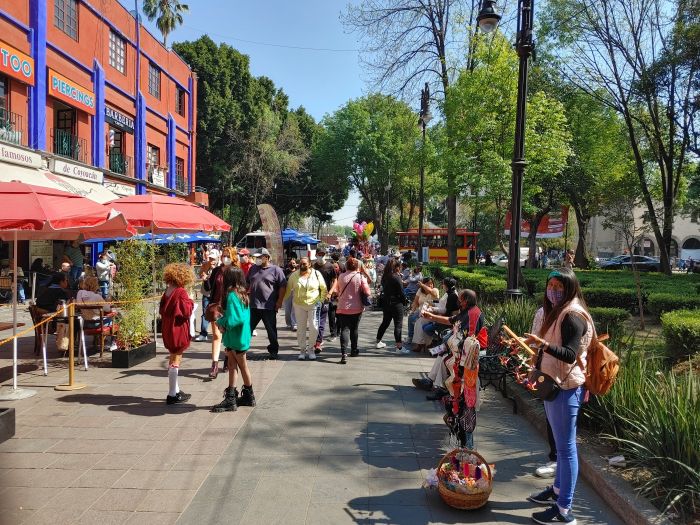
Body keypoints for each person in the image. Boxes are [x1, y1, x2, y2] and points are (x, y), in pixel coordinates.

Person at [524, 268, 594, 525]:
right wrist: (535, 368)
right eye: (550, 285)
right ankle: (556, 492)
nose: (553, 291)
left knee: (566, 450)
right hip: (554, 384)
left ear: (570, 289)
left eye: (559, 287)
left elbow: (569, 354)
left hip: (567, 389)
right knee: (563, 448)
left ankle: (564, 510)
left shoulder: (572, 315)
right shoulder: (558, 311)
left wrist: (541, 344)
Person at [412, 289, 486, 400]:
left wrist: (451, 347)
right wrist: (431, 317)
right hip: (460, 345)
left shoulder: (473, 314)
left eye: (460, 299)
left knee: (445, 359)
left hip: (470, 350)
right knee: (441, 353)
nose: (458, 302)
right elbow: (451, 320)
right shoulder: (466, 311)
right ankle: (431, 382)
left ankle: (441, 389)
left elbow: (470, 338)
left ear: (465, 300)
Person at [212, 267, 255, 412]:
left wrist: (220, 321)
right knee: (233, 365)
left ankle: (238, 398)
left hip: (236, 337)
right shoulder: (242, 293)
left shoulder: (231, 295)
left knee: (240, 366)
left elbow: (235, 319)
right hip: (239, 336)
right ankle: (239, 396)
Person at [159, 263, 195, 405]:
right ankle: (172, 394)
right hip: (178, 329)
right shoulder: (181, 292)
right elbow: (186, 311)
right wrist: (191, 300)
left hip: (168, 328)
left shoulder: (167, 290)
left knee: (172, 357)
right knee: (177, 358)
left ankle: (176, 389)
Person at [329, 256, 371, 363]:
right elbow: (367, 292)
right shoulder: (360, 277)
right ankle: (354, 350)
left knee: (344, 329)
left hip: (342, 307)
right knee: (354, 329)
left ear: (346, 266)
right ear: (357, 266)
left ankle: (343, 353)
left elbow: (337, 291)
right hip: (357, 308)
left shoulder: (341, 276)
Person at [284, 257, 327, 361]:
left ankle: (311, 348)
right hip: (299, 305)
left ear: (309, 264)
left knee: (314, 327)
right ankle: (302, 350)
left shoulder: (316, 274)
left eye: (304, 264)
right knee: (301, 329)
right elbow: (288, 290)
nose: (302, 265)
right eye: (301, 264)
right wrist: (280, 302)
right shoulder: (294, 276)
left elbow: (323, 288)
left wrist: (320, 301)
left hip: (314, 304)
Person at [247, 248, 286, 360]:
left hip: (269, 306)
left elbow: (283, 286)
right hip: (253, 305)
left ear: (267, 257)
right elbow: (247, 283)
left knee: (271, 330)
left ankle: (273, 350)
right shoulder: (253, 268)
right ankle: (242, 349)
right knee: (247, 329)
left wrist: (279, 302)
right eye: (257, 257)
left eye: (260, 257)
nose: (257, 259)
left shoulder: (276, 270)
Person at [206, 247, 235, 378]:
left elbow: (243, 289)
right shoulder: (217, 270)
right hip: (217, 306)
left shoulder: (235, 271)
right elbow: (208, 287)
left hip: (230, 307)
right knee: (217, 336)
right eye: (223, 255)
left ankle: (228, 358)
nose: (225, 258)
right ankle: (214, 365)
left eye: (228, 255)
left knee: (228, 335)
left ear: (233, 257)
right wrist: (205, 276)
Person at [412, 277, 459, 353]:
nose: (442, 285)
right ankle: (422, 343)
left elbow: (445, 311)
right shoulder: (448, 293)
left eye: (443, 284)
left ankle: (433, 341)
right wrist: (431, 303)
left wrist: (432, 309)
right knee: (418, 322)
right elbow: (440, 303)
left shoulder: (452, 295)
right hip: (439, 314)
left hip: (444, 319)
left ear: (446, 285)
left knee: (422, 325)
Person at [375, 258, 408, 353]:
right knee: (398, 325)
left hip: (386, 303)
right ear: (397, 267)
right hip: (396, 304)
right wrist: (404, 302)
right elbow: (401, 293)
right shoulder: (396, 277)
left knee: (385, 322)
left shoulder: (385, 277)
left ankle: (378, 341)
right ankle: (399, 347)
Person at [75, 276, 116, 351]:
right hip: (96, 323)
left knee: (104, 316)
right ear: (95, 285)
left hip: (84, 323)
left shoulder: (79, 293)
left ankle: (97, 341)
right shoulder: (97, 296)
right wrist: (108, 303)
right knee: (116, 317)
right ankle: (113, 343)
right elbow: (107, 309)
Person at [313, 248, 337, 353]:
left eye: (323, 254)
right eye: (319, 254)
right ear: (316, 254)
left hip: (325, 297)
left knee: (321, 320)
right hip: (313, 297)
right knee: (314, 321)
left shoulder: (330, 266)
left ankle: (318, 342)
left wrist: (330, 292)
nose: (321, 256)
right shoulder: (313, 267)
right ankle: (316, 339)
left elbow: (335, 280)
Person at [194, 249, 220, 343]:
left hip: (217, 294)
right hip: (206, 293)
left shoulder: (220, 267)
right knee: (205, 313)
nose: (211, 260)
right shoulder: (205, 264)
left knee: (218, 313)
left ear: (218, 258)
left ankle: (220, 332)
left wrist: (212, 271)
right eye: (210, 258)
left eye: (213, 258)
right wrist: (203, 276)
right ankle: (203, 334)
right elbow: (201, 273)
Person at [406, 277, 439, 350]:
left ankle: (420, 344)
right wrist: (412, 310)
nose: (430, 285)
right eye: (428, 283)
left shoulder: (435, 290)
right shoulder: (420, 290)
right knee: (411, 317)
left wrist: (424, 285)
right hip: (420, 310)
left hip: (430, 312)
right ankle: (411, 337)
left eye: (431, 283)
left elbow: (433, 294)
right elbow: (415, 302)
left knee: (419, 322)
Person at [283, 258, 298, 331]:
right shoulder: (285, 271)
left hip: (296, 292)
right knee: (287, 309)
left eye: (294, 263)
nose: (292, 264)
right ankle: (289, 323)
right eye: (291, 263)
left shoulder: (298, 272)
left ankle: (294, 324)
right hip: (287, 292)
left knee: (294, 309)